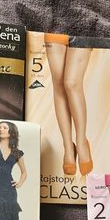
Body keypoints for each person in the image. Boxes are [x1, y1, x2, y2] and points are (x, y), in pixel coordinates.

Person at [44, 33, 93, 176]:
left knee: (71, 83)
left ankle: (81, 141)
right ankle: (68, 146)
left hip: (83, 28)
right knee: (59, 85)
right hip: (55, 27)